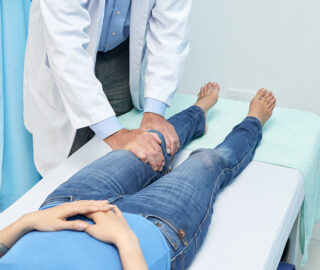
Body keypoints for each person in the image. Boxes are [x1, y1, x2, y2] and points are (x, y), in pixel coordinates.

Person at [1, 83, 276, 269]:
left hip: (65, 207)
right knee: (207, 161)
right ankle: (253, 123)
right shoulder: (129, 237)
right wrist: (125, 239)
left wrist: (30, 220)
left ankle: (198, 112)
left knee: (150, 141)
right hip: (148, 229)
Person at [23, 0, 192, 176]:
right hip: (66, 54)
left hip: (119, 54)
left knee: (122, 159)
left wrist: (155, 113)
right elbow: (67, 51)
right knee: (66, 161)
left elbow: (171, 32)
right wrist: (116, 135)